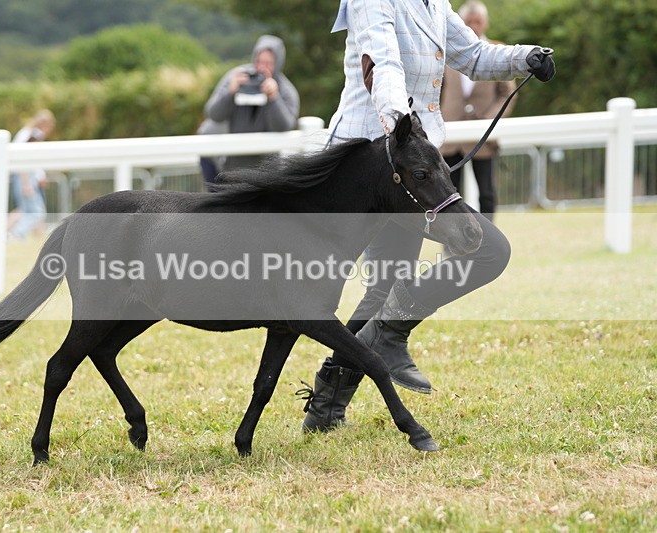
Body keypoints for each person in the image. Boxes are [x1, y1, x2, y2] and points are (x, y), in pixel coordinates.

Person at [300, 0, 555, 432]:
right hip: (375, 160)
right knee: (489, 250)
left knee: (386, 287)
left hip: (408, 163)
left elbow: (472, 55)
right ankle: (387, 335)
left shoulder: (434, 2)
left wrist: (524, 56)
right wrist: (402, 125)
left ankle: (327, 403)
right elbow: (383, 65)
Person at [440, 0, 517, 222]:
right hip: (450, 134)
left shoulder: (497, 51)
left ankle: (488, 236)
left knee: (487, 192)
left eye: (478, 21)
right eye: (468, 21)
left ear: (486, 23)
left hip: (483, 136)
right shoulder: (446, 53)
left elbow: (507, 93)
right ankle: (454, 237)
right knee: (449, 194)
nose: (473, 26)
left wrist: (489, 119)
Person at [204, 35, 300, 171]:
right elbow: (214, 115)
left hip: (268, 172)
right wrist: (230, 92)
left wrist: (274, 98)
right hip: (232, 169)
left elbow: (284, 126)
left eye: (268, 63)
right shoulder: (237, 78)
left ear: (278, 64)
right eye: (259, 61)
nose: (261, 68)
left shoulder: (286, 91)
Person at [9, 109, 55, 240]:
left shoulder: (27, 133)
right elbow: (24, 160)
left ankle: (20, 234)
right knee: (36, 212)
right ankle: (17, 233)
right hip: (25, 176)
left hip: (25, 176)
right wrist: (26, 183)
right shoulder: (32, 135)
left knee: (26, 210)